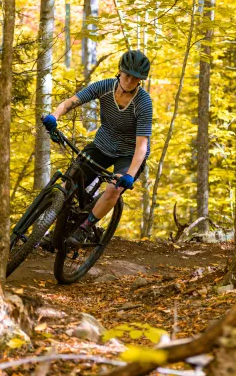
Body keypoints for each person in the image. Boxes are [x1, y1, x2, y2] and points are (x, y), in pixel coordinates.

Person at [42, 49, 153, 242]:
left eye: (135, 78)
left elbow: (141, 145)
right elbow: (72, 102)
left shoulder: (143, 103)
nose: (129, 81)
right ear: (120, 71)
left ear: (140, 80)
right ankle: (56, 233)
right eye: (127, 75)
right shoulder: (105, 87)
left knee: (114, 188)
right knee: (69, 183)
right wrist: (54, 116)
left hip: (129, 154)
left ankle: (85, 227)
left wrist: (129, 175)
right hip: (103, 144)